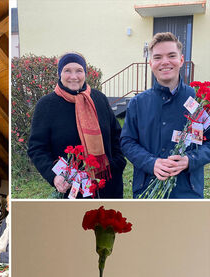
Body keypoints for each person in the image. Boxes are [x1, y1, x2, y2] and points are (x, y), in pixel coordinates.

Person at [121, 32, 210, 198]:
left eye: (171, 55)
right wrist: (151, 163)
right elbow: (127, 142)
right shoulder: (137, 103)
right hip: (147, 189)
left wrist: (190, 160)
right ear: (151, 63)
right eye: (158, 57)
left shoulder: (198, 100)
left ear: (181, 60)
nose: (165, 62)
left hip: (187, 191)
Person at [28, 52, 126, 198]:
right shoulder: (47, 105)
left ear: (85, 73)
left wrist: (116, 164)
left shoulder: (99, 99)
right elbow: (37, 148)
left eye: (79, 71)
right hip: (71, 189)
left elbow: (116, 135)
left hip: (108, 184)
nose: (73, 76)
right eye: (67, 70)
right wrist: (54, 176)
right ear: (59, 73)